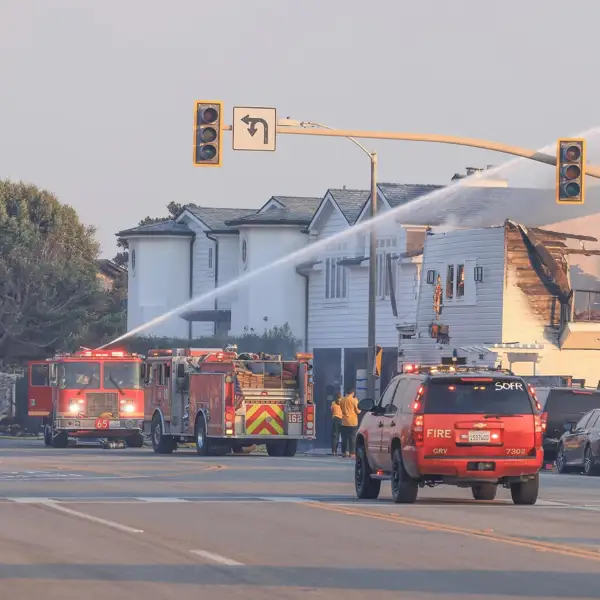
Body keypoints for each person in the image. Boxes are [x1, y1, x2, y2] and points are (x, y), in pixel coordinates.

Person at [340, 387, 361, 458]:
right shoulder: (354, 400)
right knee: (352, 438)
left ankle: (344, 452)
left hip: (344, 422)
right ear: (353, 393)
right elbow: (358, 411)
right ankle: (352, 453)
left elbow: (341, 408)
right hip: (352, 422)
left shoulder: (342, 400)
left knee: (344, 438)